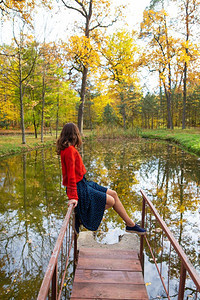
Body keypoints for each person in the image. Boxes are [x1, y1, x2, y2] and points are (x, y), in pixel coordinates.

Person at [56, 122, 146, 235]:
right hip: (80, 188)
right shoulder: (69, 151)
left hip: (84, 183)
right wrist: (73, 197)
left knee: (114, 194)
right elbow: (71, 176)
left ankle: (130, 225)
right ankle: (83, 216)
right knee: (111, 201)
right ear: (75, 134)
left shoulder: (69, 149)